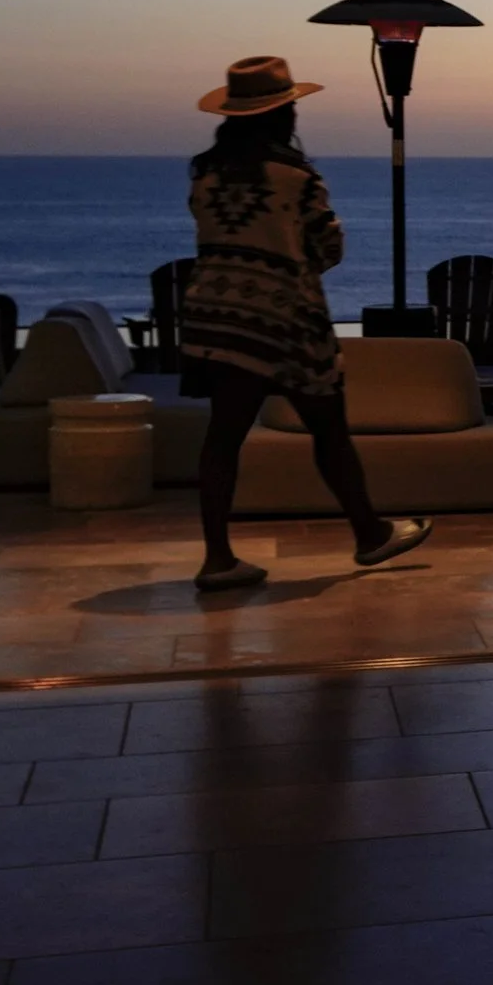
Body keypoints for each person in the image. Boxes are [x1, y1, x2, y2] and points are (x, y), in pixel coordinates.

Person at [183, 56, 429, 591]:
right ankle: (369, 533)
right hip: (286, 316)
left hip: (215, 316)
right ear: (282, 113)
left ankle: (217, 558)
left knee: (223, 437)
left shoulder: (204, 172)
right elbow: (326, 247)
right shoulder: (296, 176)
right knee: (329, 430)